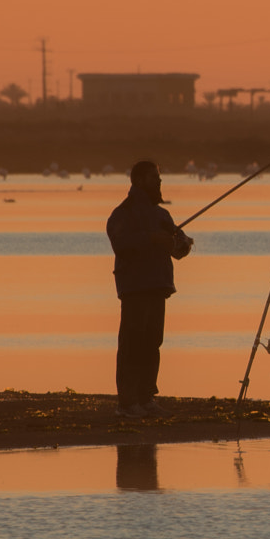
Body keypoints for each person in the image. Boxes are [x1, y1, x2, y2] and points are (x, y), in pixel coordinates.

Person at [106, 160, 193, 417]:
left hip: (157, 286)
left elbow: (178, 249)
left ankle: (146, 399)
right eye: (154, 178)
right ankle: (127, 402)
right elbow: (120, 243)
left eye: (159, 178)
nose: (159, 182)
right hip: (134, 287)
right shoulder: (123, 213)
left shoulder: (161, 215)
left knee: (152, 342)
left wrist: (183, 243)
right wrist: (151, 238)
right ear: (138, 181)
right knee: (132, 342)